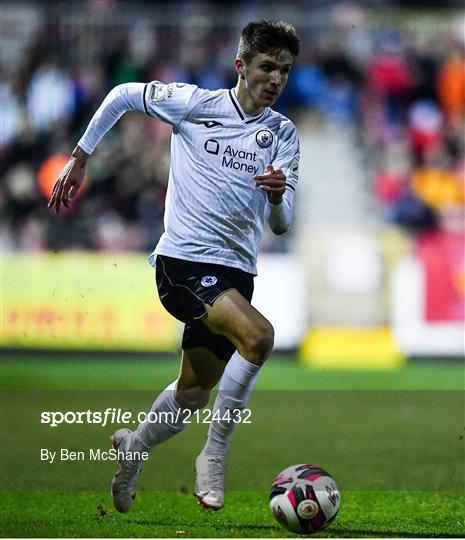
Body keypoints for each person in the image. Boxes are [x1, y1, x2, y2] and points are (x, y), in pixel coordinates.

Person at [48, 20, 301, 512]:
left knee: (191, 395)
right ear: (241, 66)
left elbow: (282, 225)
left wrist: (275, 199)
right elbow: (122, 94)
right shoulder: (194, 104)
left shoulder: (283, 134)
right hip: (181, 262)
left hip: (235, 273)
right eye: (268, 67)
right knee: (259, 337)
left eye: (285, 71)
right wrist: (80, 158)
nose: (276, 80)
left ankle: (134, 448)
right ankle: (215, 454)